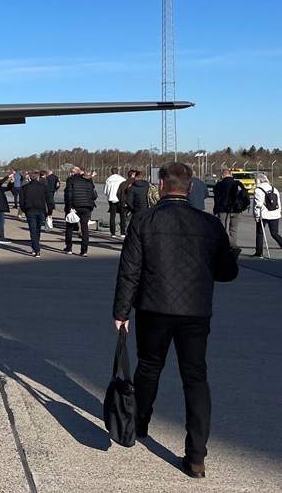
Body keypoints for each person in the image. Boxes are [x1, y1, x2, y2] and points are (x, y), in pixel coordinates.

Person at [113, 161, 239, 479]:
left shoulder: (143, 221)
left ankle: (139, 423)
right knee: (195, 379)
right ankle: (196, 457)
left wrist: (121, 312)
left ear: (162, 185)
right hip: (195, 312)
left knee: (149, 367)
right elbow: (228, 273)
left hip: (154, 308)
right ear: (192, 186)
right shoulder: (210, 225)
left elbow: (129, 271)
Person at [63, 166, 96, 256]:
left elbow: (68, 195)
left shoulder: (71, 180)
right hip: (86, 206)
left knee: (69, 227)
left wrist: (69, 207)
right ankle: (84, 250)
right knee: (84, 228)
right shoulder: (88, 181)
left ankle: (69, 248)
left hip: (75, 206)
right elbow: (93, 195)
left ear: (73, 173)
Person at [20, 171, 53, 257]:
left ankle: (35, 248)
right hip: (40, 210)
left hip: (30, 210)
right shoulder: (43, 187)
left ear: (30, 178)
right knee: (37, 230)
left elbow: (21, 201)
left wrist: (24, 210)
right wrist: (50, 212)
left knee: (33, 230)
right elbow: (49, 200)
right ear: (38, 178)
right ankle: (36, 248)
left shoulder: (25, 187)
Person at [213, 169, 245, 247]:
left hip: (223, 210)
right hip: (236, 209)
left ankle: (224, 246)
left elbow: (216, 196)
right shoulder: (238, 184)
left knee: (222, 229)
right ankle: (233, 247)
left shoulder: (219, 184)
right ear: (231, 175)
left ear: (222, 176)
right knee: (233, 230)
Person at [252, 173, 282, 258]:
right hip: (274, 214)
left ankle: (259, 252)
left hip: (263, 214)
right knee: (275, 233)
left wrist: (257, 215)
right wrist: (278, 212)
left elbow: (258, 204)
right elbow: (278, 202)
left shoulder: (258, 190)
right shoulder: (274, 188)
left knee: (260, 233)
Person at [104, 167, 127, 238]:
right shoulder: (122, 179)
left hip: (112, 199)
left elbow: (105, 191)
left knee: (112, 216)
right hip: (121, 199)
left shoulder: (108, 179)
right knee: (122, 216)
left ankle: (113, 233)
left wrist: (109, 195)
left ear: (111, 172)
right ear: (118, 172)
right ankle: (122, 232)